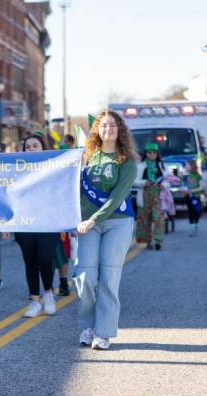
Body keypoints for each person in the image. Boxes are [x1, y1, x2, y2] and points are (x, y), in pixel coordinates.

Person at [75, 110, 138, 350]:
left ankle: (103, 332)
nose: (108, 129)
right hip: (87, 224)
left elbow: (117, 196)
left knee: (109, 279)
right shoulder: (87, 156)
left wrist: (94, 219)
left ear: (119, 129)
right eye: (103, 125)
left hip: (118, 222)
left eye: (112, 125)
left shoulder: (127, 160)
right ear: (97, 130)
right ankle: (87, 326)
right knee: (85, 277)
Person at [15, 134, 59, 317]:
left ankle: (48, 293)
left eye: (35, 145)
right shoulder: (16, 169)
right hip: (25, 221)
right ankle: (35, 300)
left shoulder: (55, 166)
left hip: (48, 221)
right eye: (28, 147)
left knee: (45, 259)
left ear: (43, 147)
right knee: (30, 261)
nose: (32, 149)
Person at [134, 142, 166, 250]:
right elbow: (134, 182)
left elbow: (169, 180)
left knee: (159, 218)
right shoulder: (140, 166)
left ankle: (158, 240)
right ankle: (147, 241)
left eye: (154, 152)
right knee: (144, 219)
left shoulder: (162, 165)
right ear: (146, 153)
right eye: (149, 152)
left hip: (158, 195)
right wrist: (144, 183)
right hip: (144, 195)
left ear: (157, 153)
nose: (152, 154)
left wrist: (163, 185)